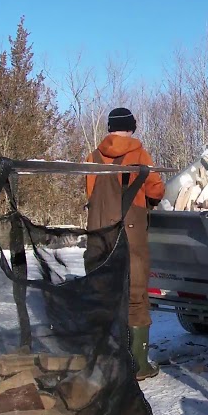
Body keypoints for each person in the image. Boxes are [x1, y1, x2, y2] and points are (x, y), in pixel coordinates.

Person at [84, 107, 165, 381]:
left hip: (99, 234)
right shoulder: (139, 154)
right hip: (130, 233)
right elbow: (156, 189)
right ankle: (138, 365)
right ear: (131, 127)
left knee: (102, 292)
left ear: (109, 128)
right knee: (135, 294)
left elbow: (90, 192)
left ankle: (106, 361)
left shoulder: (93, 157)